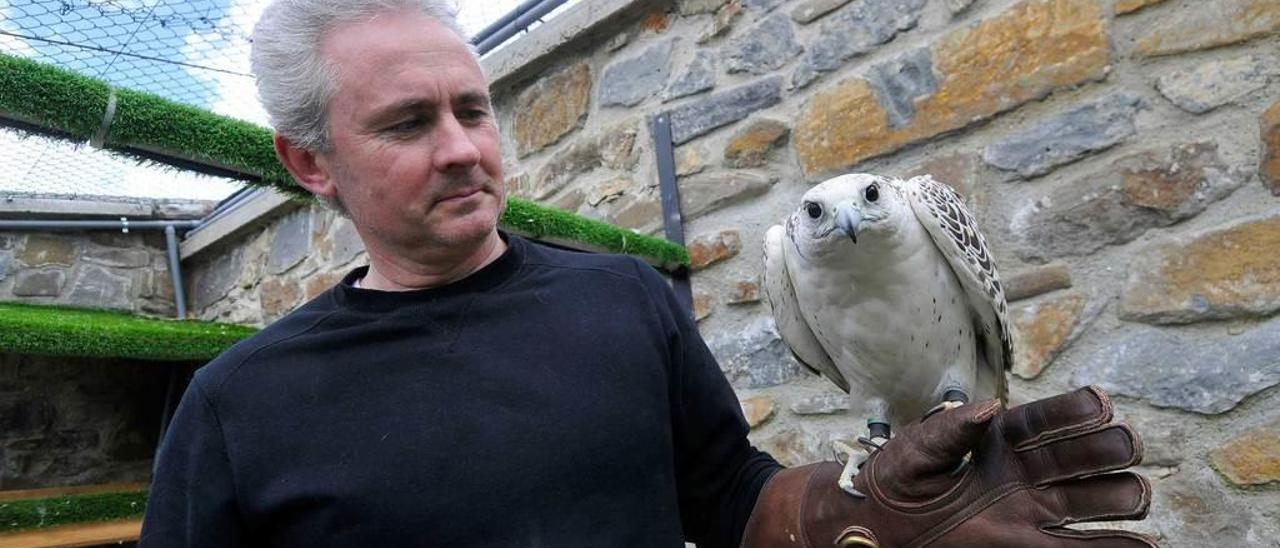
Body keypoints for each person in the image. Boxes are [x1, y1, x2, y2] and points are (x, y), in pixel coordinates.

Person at [139, 1, 1157, 546]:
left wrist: (858, 513)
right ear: (309, 161)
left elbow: (728, 498)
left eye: (472, 107)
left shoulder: (620, 298)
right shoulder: (238, 407)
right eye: (408, 122)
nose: (460, 146)